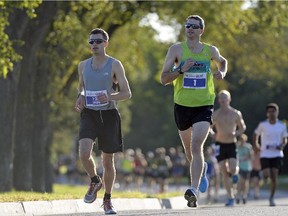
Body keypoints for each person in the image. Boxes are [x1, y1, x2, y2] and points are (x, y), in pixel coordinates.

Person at [160, 15, 228, 207]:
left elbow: (223, 62)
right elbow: (163, 78)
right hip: (182, 105)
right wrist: (181, 69)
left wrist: (221, 72)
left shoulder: (210, 50)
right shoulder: (176, 49)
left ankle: (194, 190)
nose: (189, 28)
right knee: (189, 151)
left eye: (194, 26)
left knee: (197, 145)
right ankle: (202, 168)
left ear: (201, 30)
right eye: (187, 25)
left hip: (204, 104)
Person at [75, 28, 132, 214]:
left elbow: (127, 93)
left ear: (106, 43)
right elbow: (81, 89)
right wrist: (80, 97)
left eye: (98, 41)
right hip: (89, 114)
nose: (94, 45)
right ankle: (94, 180)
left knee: (108, 162)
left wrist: (109, 96)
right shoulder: (83, 65)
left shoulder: (115, 65)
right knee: (84, 153)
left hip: (109, 116)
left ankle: (107, 200)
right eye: (91, 42)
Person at [210, 90, 246, 207]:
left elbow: (242, 127)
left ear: (229, 99)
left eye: (225, 98)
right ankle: (231, 198)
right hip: (220, 144)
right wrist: (212, 134)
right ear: (219, 100)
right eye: (221, 98)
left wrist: (236, 133)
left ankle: (235, 174)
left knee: (232, 168)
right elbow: (209, 127)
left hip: (231, 144)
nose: (223, 100)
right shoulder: (215, 114)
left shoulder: (236, 113)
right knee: (223, 172)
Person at [253, 103, 287, 206]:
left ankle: (271, 197)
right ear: (267, 114)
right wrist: (256, 145)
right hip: (265, 153)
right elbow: (255, 134)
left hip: (277, 154)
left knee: (274, 175)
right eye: (270, 112)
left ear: (277, 112)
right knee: (267, 173)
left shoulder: (281, 125)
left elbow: (285, 139)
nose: (272, 113)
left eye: (273, 111)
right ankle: (264, 176)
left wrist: (282, 145)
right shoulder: (263, 124)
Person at [235, 134, 253, 204]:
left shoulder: (248, 147)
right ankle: (238, 195)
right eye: (241, 140)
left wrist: (247, 157)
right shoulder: (237, 147)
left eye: (243, 140)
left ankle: (244, 195)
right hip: (239, 167)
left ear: (245, 140)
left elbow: (251, 156)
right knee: (239, 182)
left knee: (245, 182)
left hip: (247, 167)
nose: (242, 141)